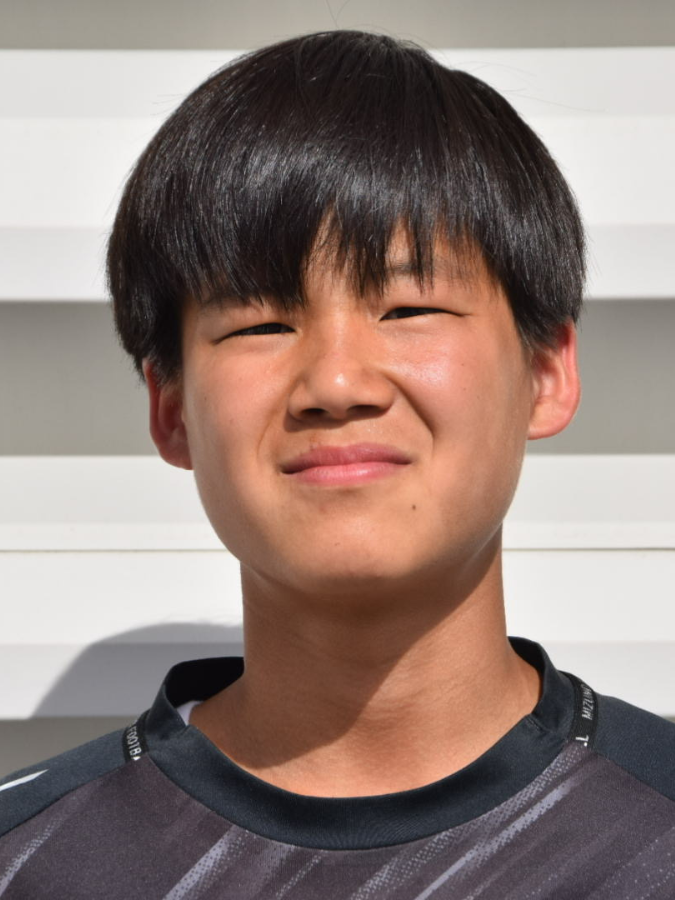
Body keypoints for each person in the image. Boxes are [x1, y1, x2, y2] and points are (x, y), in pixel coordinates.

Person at [1, 29, 673, 899]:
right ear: (171, 410)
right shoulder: (30, 863)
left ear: (544, 372)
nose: (336, 383)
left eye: (408, 308)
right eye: (260, 323)